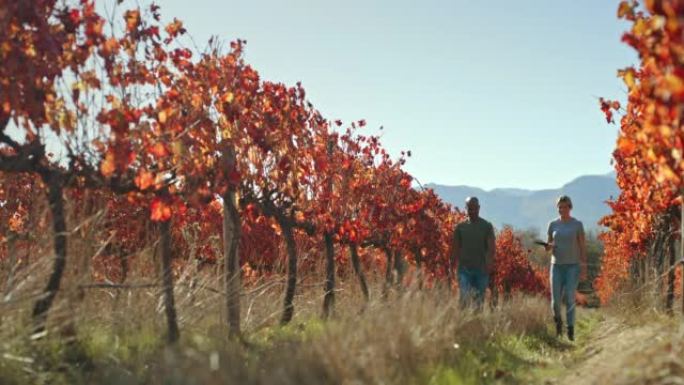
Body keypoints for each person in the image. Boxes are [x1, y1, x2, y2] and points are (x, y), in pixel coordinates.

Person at [545, 195, 587, 341]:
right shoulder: (552, 225)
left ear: (570, 207)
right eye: (559, 207)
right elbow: (549, 246)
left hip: (573, 267)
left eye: (564, 207)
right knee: (555, 300)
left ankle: (570, 330)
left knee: (570, 298)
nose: (561, 210)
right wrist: (548, 246)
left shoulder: (577, 225)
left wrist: (583, 267)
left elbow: (582, 247)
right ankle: (558, 324)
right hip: (556, 266)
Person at [451, 196, 496, 310]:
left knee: (478, 303)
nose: (472, 211)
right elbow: (455, 248)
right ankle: (463, 326)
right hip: (464, 270)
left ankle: (476, 326)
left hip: (481, 271)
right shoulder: (460, 227)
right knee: (464, 300)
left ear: (479, 208)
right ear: (466, 208)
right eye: (469, 208)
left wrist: (489, 265)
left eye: (474, 208)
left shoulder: (486, 226)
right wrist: (452, 266)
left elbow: (491, 248)